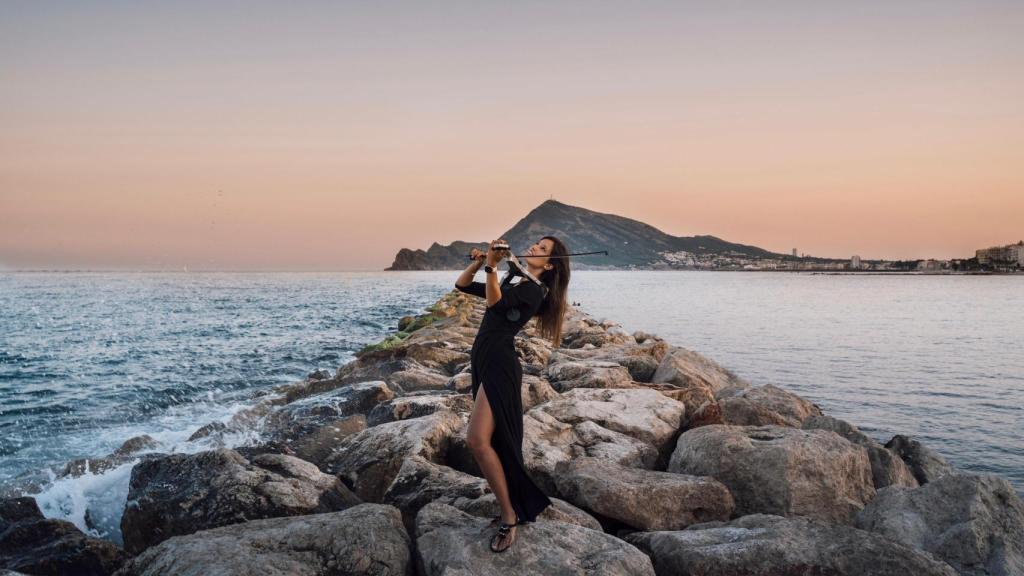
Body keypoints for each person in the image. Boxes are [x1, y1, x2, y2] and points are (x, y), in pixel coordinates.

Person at [454, 235, 571, 553]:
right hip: (484, 358)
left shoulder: (534, 291)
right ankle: (509, 508)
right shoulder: (514, 281)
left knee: (477, 440)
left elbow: (494, 303)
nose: (533, 246)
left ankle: (510, 515)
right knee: (489, 442)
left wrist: (493, 266)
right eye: (535, 243)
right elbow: (462, 286)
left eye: (542, 249)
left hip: (500, 365)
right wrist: (481, 264)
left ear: (549, 265)